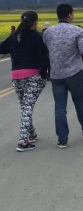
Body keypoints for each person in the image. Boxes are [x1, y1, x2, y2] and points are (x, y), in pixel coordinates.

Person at [43, 3, 83, 148]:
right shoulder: (77, 30)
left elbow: (46, 48)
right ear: (70, 15)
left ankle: (62, 139)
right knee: (79, 102)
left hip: (56, 74)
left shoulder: (48, 32)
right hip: (74, 73)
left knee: (60, 107)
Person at [0, 11, 49, 152]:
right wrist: (44, 75)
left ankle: (31, 133)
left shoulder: (15, 36)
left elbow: (2, 48)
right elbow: (44, 58)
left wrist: (14, 49)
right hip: (33, 74)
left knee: (25, 106)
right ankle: (23, 141)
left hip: (16, 75)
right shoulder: (36, 37)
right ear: (35, 22)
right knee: (27, 107)